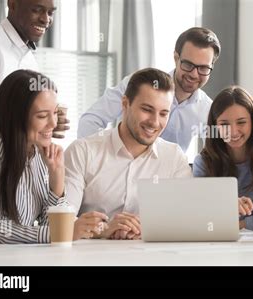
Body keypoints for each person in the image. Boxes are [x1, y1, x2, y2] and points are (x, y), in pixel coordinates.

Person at [0, 70, 105, 244]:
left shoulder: (40, 151)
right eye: (42, 115)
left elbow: (46, 223)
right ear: (16, 116)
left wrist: (57, 180)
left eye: (55, 112)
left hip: (21, 257)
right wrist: (62, 233)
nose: (53, 123)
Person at [64, 68, 192, 240]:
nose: (155, 122)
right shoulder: (82, 151)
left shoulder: (174, 157)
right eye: (147, 109)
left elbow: (186, 220)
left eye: (163, 113)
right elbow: (63, 223)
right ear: (125, 104)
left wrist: (143, 228)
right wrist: (103, 229)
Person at [77, 27, 221, 153]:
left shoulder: (208, 109)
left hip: (168, 179)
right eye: (188, 64)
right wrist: (106, 158)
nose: (194, 74)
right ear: (176, 58)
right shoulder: (140, 84)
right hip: (122, 172)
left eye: (203, 68)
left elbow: (217, 152)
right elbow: (91, 120)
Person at [193, 86, 253, 231]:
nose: (233, 131)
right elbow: (199, 217)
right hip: (216, 245)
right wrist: (228, 205)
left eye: (241, 122)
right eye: (224, 124)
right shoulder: (203, 162)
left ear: (252, 123)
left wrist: (227, 219)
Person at [0, 0, 69, 137]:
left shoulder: (29, 59)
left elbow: (22, 121)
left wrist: (46, 123)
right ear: (12, 4)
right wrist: (7, 136)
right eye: (37, 10)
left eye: (50, 13)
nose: (45, 19)